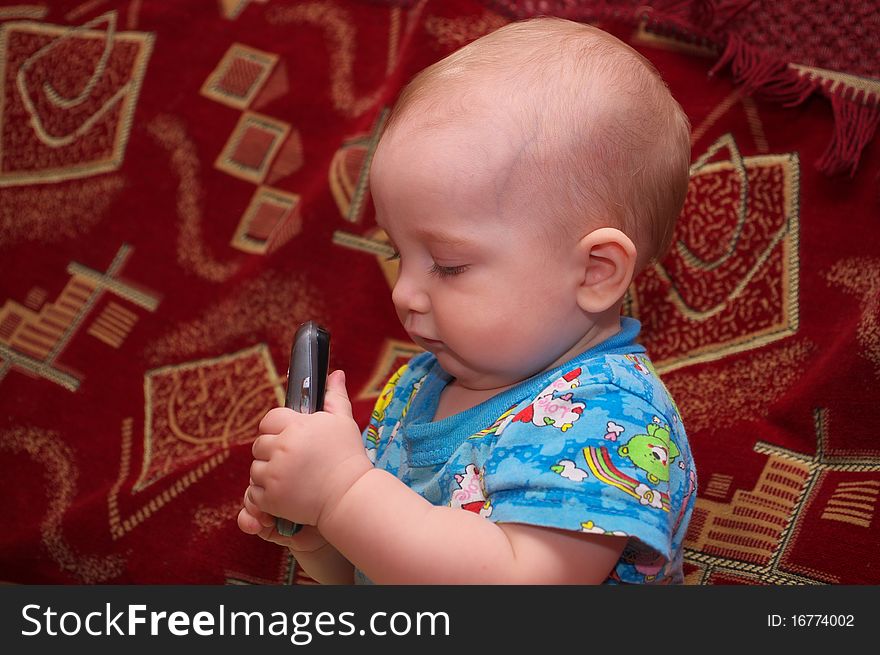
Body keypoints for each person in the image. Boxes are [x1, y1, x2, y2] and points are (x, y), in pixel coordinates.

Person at [238, 17, 696, 584]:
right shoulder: (416, 390)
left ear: (596, 272)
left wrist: (343, 493)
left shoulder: (609, 417)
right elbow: (376, 575)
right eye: (395, 254)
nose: (405, 292)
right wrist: (317, 532)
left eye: (449, 265)